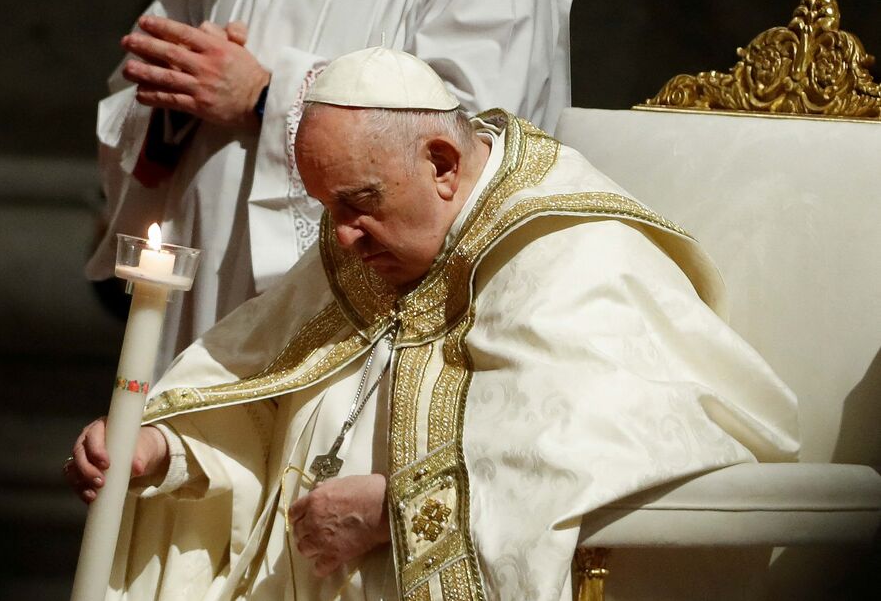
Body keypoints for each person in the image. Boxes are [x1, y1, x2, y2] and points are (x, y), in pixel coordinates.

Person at [67, 48, 799, 600]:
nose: (342, 237)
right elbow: (261, 399)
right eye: (328, 209)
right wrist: (166, 451)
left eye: (359, 203)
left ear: (444, 162)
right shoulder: (371, 235)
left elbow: (623, 454)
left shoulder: (572, 259)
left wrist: (396, 508)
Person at [85, 0, 577, 374]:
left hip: (357, 275)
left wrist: (264, 94)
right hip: (206, 243)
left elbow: (467, 132)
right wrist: (180, 79)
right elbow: (146, 69)